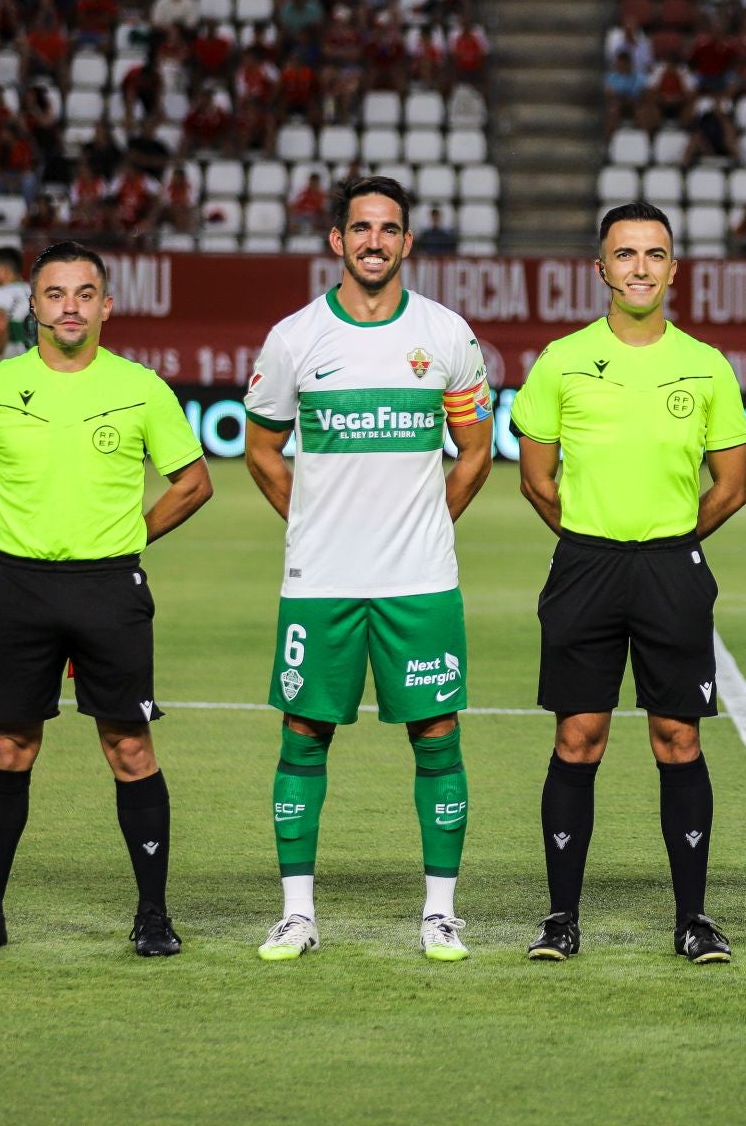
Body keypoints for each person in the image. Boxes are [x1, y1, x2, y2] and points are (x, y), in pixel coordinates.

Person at [243, 177, 495, 964]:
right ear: (337, 242)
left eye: (389, 229)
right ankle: (296, 914)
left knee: (438, 735)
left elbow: (477, 450)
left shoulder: (448, 335)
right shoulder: (293, 339)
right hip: (320, 584)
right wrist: (316, 521)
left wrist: (422, 524)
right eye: (361, 228)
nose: (375, 242)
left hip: (420, 582)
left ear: (408, 243)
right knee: (303, 734)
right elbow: (261, 447)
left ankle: (440, 914)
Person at [0, 241, 214, 957]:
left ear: (106, 306)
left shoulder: (141, 388)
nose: (70, 306)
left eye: (85, 293)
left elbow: (193, 483)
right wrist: (15, 542)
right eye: (56, 294)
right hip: (20, 587)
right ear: (31, 305)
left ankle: (152, 915)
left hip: (110, 588)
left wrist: (130, 538)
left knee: (129, 746)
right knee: (10, 746)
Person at [511, 202, 746, 964]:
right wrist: (594, 538)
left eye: (654, 255)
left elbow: (732, 485)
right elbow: (538, 480)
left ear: (674, 268)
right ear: (601, 269)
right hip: (584, 564)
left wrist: (669, 543)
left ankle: (693, 918)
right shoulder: (561, 361)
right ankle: (560, 917)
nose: (640, 268)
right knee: (578, 737)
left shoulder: (706, 364)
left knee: (677, 737)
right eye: (625, 254)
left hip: (671, 568)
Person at [0, 245, 33, 365]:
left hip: (10, 370)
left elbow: (0, 324)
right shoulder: (37, 292)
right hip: (38, 369)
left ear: (4, 271)